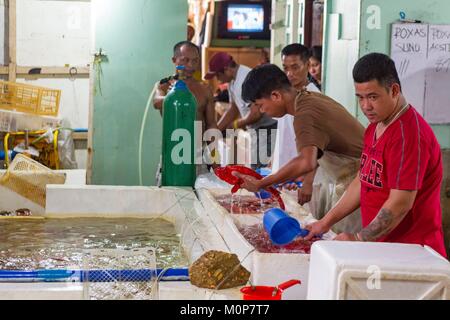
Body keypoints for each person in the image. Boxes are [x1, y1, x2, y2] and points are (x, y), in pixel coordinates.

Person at [304, 53, 446, 258]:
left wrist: (359, 239)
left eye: (372, 97)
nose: (365, 106)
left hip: (412, 253)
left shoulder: (408, 136)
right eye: (360, 98)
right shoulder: (376, 126)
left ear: (394, 90)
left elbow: (400, 203)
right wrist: (325, 223)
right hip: (381, 247)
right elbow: (362, 181)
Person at [234, 64, 365, 234]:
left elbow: (306, 162)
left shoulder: (305, 114)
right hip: (351, 178)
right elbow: (315, 153)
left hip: (362, 181)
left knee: (343, 244)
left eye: (260, 105)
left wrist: (261, 183)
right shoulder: (309, 98)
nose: (262, 111)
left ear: (275, 96)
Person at [205, 52, 277, 168]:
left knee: (260, 170)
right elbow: (233, 108)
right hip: (256, 130)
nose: (218, 80)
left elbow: (256, 113)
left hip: (267, 130)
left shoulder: (246, 78)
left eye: (218, 75)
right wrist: (216, 130)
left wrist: (235, 124)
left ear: (227, 69)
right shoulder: (232, 82)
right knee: (256, 167)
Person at [273, 43, 321, 207]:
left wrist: (308, 182)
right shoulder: (286, 95)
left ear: (307, 66)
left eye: (295, 67)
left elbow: (321, 147)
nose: (289, 74)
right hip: (284, 174)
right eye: (285, 68)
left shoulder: (314, 98)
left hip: (302, 183)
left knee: (302, 227)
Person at [153, 41, 216, 133]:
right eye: (185, 60)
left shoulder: (204, 88)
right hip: (172, 144)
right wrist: (174, 95)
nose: (191, 65)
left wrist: (213, 146)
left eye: (195, 61)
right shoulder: (164, 85)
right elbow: (156, 102)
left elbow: (211, 124)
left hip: (197, 144)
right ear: (174, 60)